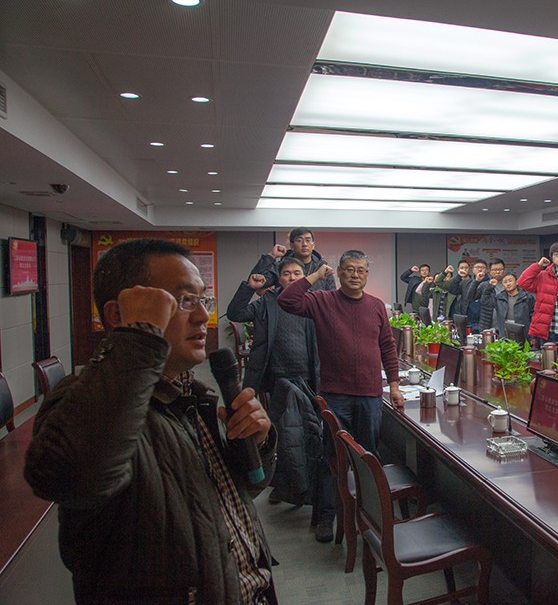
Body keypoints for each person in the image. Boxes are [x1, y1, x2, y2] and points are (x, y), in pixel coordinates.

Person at [25, 239, 278, 605]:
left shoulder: (192, 394)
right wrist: (139, 337)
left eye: (203, 301)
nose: (201, 317)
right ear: (119, 315)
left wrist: (257, 445)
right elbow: (72, 478)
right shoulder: (84, 402)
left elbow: (225, 500)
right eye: (183, 301)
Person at [227, 257, 333, 542]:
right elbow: (236, 312)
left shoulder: (312, 301)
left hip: (309, 378)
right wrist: (249, 287)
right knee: (282, 435)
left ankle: (302, 486)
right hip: (276, 378)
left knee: (310, 433)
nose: (292, 277)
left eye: (297, 273)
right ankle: (284, 484)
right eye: (286, 273)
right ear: (279, 278)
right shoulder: (267, 302)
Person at [278, 250, 403, 455]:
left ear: (367, 274)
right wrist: (316, 275)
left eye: (361, 271)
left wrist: (394, 385)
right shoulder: (322, 300)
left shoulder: (376, 305)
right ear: (339, 271)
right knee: (336, 454)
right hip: (335, 395)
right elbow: (287, 300)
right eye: (350, 270)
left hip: (370, 394)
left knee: (368, 454)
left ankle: (365, 479)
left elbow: (387, 346)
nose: (355, 275)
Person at [518, 241, 558, 353]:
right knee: (549, 362)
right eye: (556, 254)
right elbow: (523, 282)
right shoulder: (543, 275)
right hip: (549, 331)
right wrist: (538, 266)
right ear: (551, 257)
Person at [255, 227, 335, 288]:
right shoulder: (280, 267)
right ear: (292, 245)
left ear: (313, 245)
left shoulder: (323, 269)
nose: (304, 244)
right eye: (299, 240)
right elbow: (256, 280)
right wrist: (271, 256)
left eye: (308, 240)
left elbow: (331, 297)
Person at [481, 271, 534, 336]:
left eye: (510, 281)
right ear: (503, 285)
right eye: (505, 282)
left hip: (524, 333)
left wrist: (533, 336)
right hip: (505, 333)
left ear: (516, 282)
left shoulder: (527, 297)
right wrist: (490, 287)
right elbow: (485, 301)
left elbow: (533, 317)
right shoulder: (499, 298)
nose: (508, 284)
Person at [477, 258, 507, 330]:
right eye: (494, 270)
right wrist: (476, 281)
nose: (498, 272)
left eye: (500, 269)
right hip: (487, 326)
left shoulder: (508, 286)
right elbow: (471, 297)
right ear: (490, 272)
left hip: (505, 327)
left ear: (504, 271)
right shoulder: (484, 285)